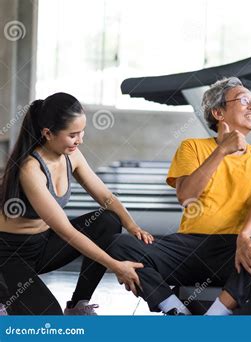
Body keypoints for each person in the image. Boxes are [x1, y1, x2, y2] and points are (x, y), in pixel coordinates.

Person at [109, 77, 251, 315]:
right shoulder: (192, 147)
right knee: (120, 244)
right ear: (219, 112)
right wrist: (222, 150)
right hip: (188, 249)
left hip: (236, 251)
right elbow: (186, 195)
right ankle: (174, 309)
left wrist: (245, 236)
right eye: (244, 100)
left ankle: (215, 315)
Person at [0, 92, 153, 315]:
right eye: (73, 134)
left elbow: (105, 197)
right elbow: (66, 231)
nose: (80, 140)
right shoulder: (31, 169)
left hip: (42, 247)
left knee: (107, 221)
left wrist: (132, 226)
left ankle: (78, 305)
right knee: (49, 320)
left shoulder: (72, 155)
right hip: (9, 256)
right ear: (48, 133)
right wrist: (116, 266)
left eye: (82, 132)